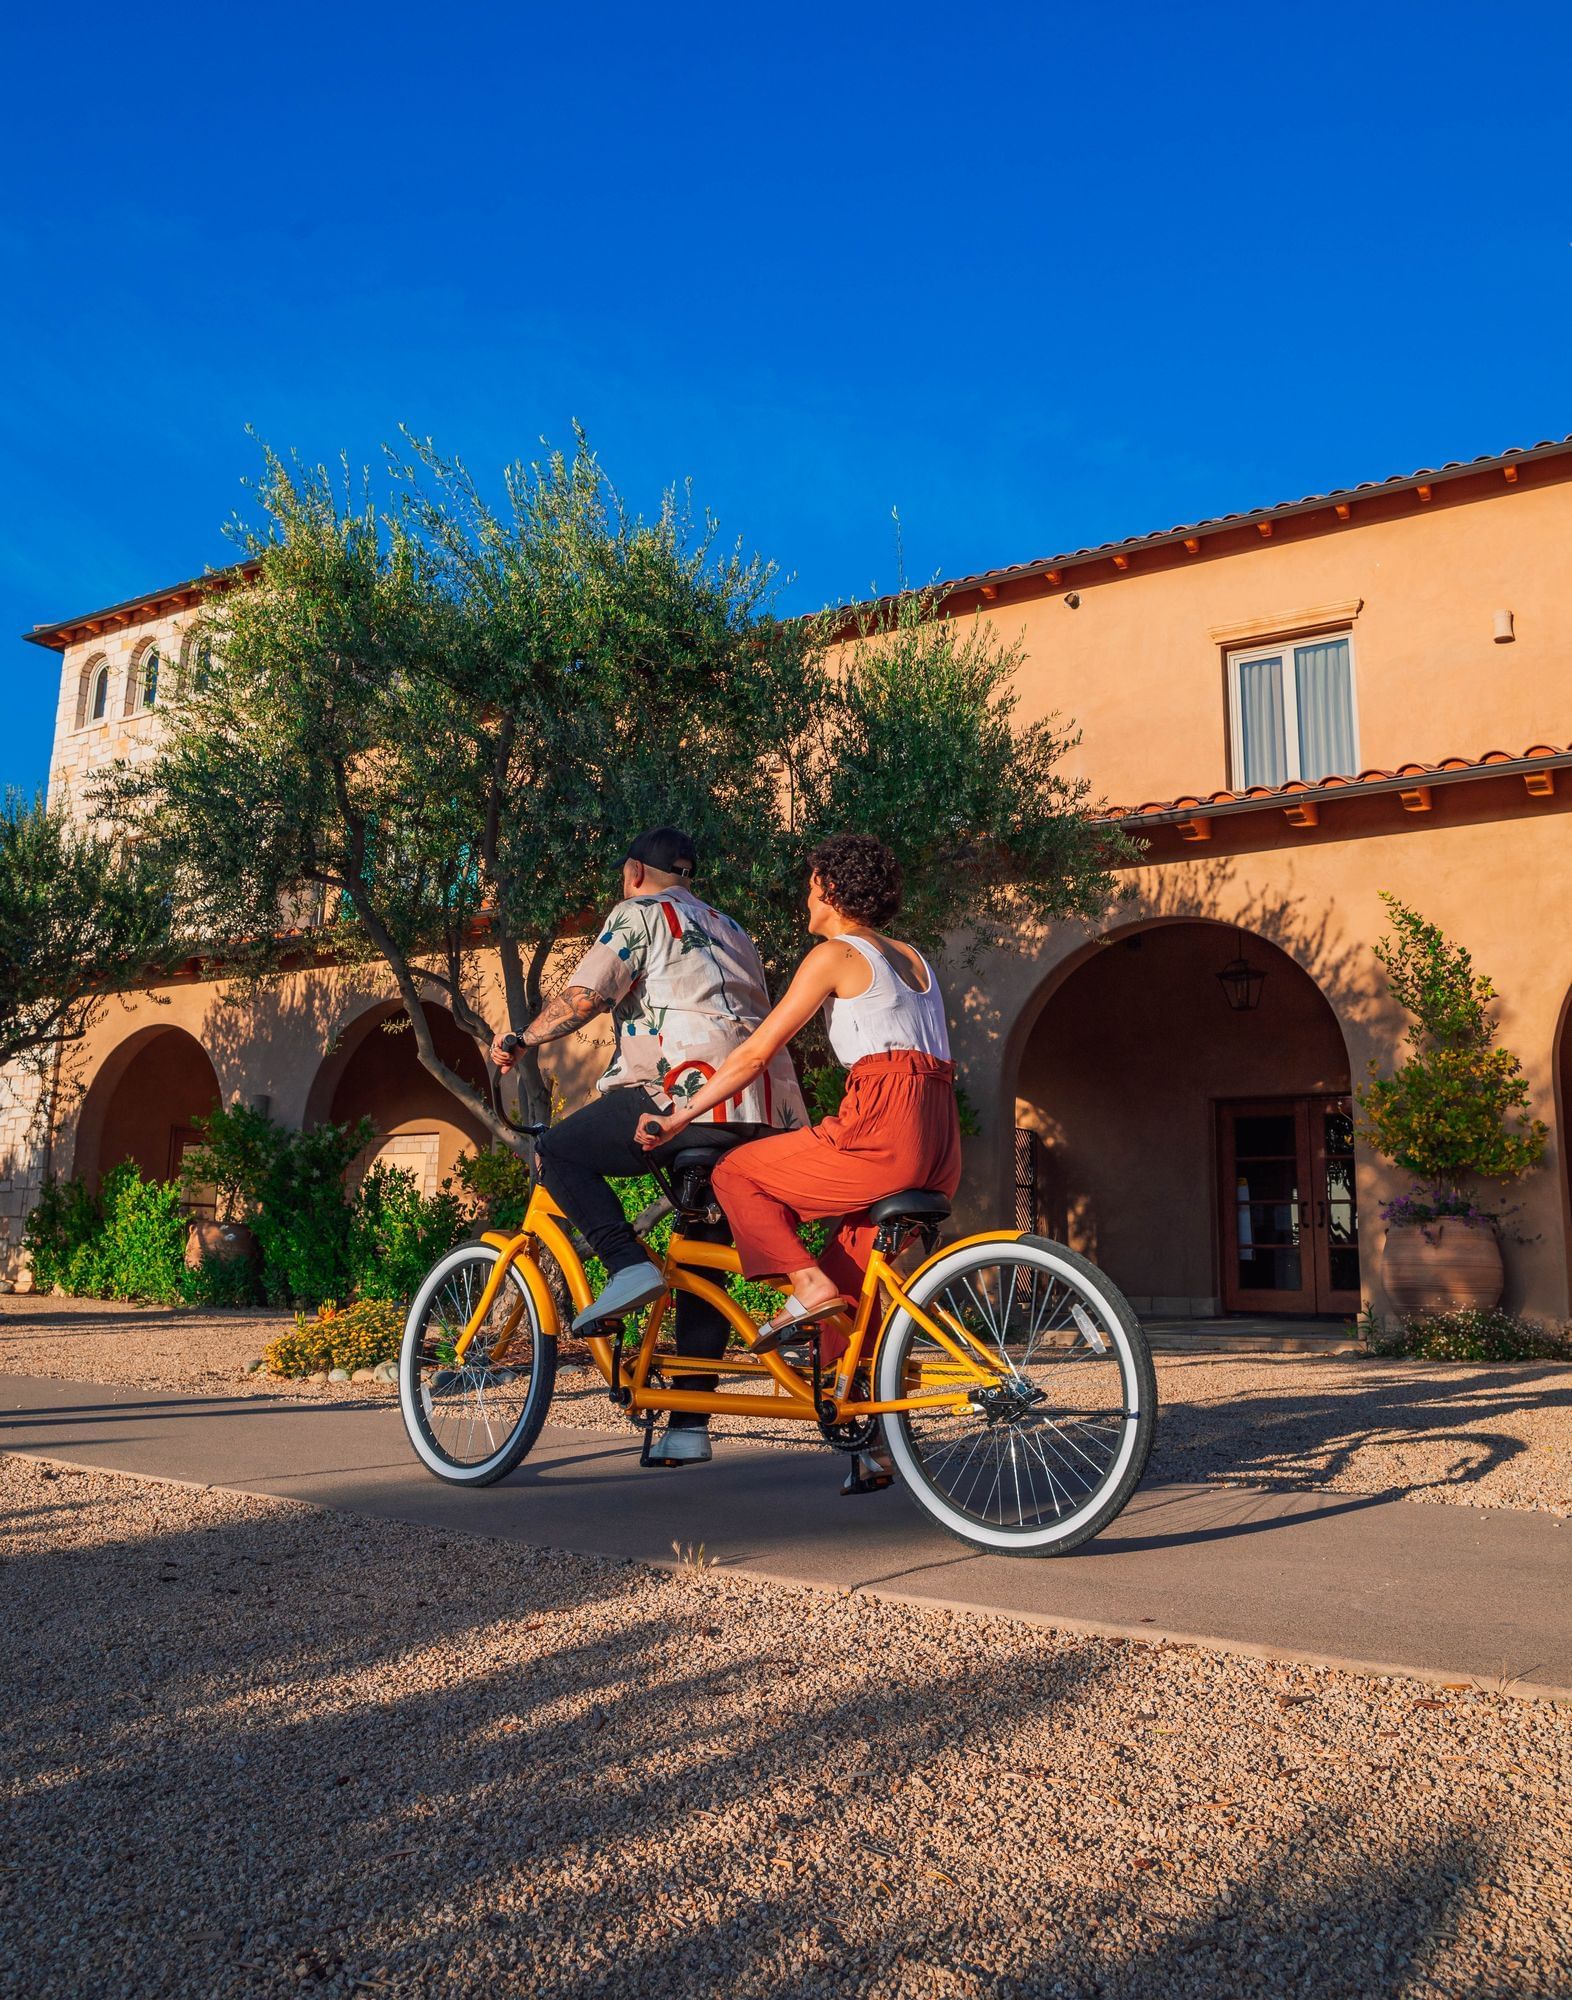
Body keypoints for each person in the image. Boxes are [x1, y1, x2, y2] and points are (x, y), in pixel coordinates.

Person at [491, 826, 805, 1466]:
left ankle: (624, 1261)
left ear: (635, 871)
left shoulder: (638, 913)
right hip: (759, 1109)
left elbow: (585, 997)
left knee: (562, 1152)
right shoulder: (732, 928)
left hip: (677, 1093)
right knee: (705, 1254)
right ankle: (688, 1426)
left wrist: (522, 1038)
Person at [636, 832, 960, 1357]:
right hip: (939, 1143)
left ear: (829, 888)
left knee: (736, 1174)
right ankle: (865, 1422)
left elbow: (755, 1053)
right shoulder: (914, 959)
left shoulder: (835, 954)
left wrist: (678, 1117)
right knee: (848, 1274)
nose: (806, 899)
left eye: (810, 887)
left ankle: (805, 1289)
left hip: (882, 1128)